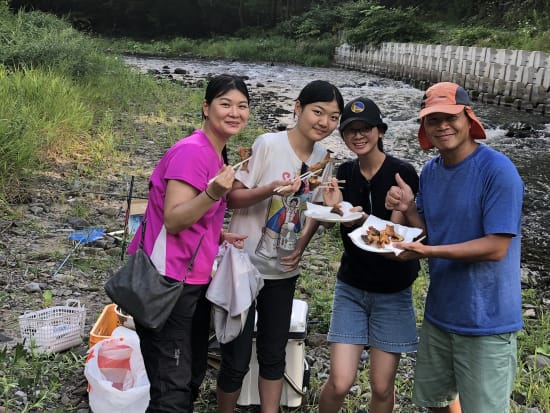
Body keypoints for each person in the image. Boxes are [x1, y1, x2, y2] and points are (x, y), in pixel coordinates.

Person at [384, 82, 524, 413]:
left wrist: (427, 253)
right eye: (433, 120)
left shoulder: (498, 171)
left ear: (468, 117)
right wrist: (410, 209)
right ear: (424, 126)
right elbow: (433, 235)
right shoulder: (431, 172)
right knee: (437, 402)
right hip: (441, 314)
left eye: (450, 116)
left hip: (487, 321)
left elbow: (496, 247)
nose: (442, 126)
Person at [215, 80, 345, 413]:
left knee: (274, 354)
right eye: (318, 112)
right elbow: (232, 197)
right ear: (298, 108)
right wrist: (271, 189)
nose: (324, 122)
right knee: (236, 356)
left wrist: (308, 237)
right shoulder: (268, 144)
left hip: (283, 270)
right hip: (243, 266)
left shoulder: (324, 159)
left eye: (333, 117)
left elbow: (315, 212)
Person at [126, 74, 250, 413]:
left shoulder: (216, 154)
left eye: (242, 106)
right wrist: (214, 192)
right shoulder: (192, 152)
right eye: (225, 104)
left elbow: (194, 218)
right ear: (206, 107)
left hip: (191, 282)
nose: (234, 112)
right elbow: (175, 219)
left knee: (191, 375)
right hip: (166, 283)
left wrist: (218, 234)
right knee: (172, 391)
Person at [317, 97, 420, 413]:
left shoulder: (402, 173)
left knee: (381, 386)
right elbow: (323, 216)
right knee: (339, 382)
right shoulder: (344, 173)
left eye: (365, 129)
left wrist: (397, 211)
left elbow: (402, 243)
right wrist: (333, 206)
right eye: (351, 130)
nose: (358, 136)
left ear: (379, 131)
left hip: (393, 291)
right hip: (352, 288)